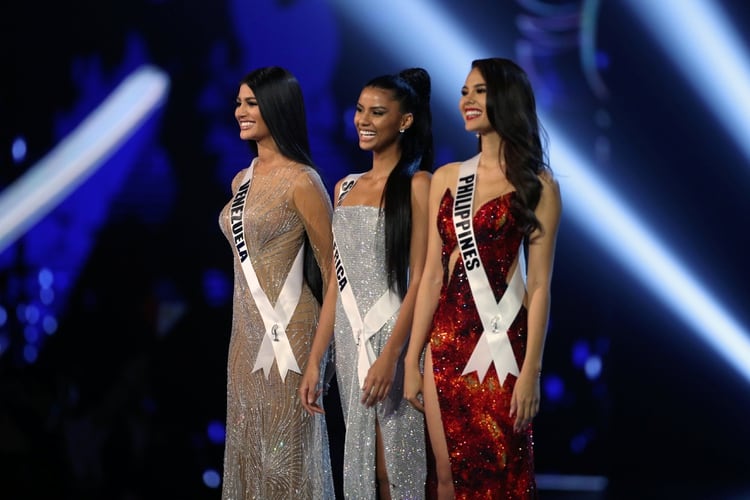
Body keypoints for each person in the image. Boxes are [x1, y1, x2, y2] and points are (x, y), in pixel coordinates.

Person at [404, 58, 562, 499]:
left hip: (503, 345)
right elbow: (432, 275)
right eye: (464, 91)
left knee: (501, 473)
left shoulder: (538, 185)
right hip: (446, 342)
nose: (466, 101)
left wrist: (532, 370)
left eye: (479, 91)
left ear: (506, 99)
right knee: (446, 474)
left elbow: (541, 285)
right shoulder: (448, 177)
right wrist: (412, 358)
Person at [299, 68, 433, 499]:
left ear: (405, 120)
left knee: (395, 466)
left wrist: (393, 356)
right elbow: (337, 285)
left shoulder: (418, 185)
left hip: (395, 336)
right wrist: (317, 358)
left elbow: (421, 279)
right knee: (359, 465)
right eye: (360, 110)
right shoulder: (344, 187)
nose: (364, 120)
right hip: (350, 339)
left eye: (378, 112)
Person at [218, 66, 335, 500]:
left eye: (251, 103)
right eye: (238, 102)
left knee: (286, 464)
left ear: (277, 108)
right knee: (251, 458)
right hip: (243, 339)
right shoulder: (241, 180)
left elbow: (334, 276)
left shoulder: (303, 181)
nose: (240, 112)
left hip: (290, 336)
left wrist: (318, 361)